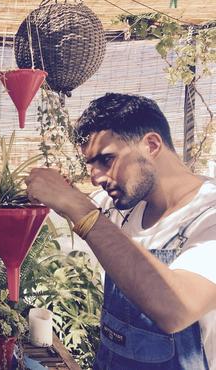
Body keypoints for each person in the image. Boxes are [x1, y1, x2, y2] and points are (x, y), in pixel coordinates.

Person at [25, 93, 216, 369]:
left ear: (151, 145)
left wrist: (79, 207)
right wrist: (58, 194)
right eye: (91, 165)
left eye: (106, 160)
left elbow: (176, 308)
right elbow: (86, 209)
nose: (95, 178)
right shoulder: (123, 205)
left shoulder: (208, 217)